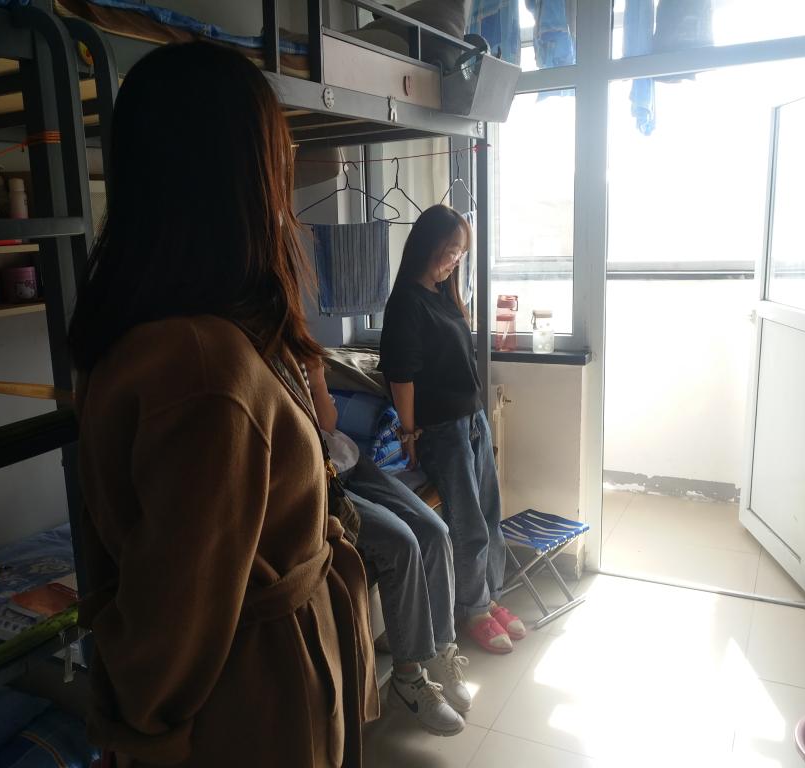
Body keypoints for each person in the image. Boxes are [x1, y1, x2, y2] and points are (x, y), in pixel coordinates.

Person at [69, 42, 378, 768]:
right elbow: (172, 618)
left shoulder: (224, 332)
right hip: (252, 710)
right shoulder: (202, 369)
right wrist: (142, 736)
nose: (285, 176)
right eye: (276, 154)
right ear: (239, 175)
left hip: (271, 681)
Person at [378, 204, 526, 655]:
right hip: (442, 430)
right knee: (468, 524)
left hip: (472, 419)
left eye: (461, 252)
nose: (455, 260)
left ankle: (490, 597)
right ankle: (474, 610)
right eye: (451, 250)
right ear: (428, 245)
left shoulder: (443, 295)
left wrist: (478, 417)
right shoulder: (406, 302)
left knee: (489, 514)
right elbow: (401, 377)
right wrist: (408, 435)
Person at [306, 360, 471, 737]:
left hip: (348, 460)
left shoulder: (296, 352)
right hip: (316, 479)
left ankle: (440, 648)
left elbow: (328, 423)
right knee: (402, 543)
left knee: (434, 530)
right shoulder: (257, 364)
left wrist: (315, 376)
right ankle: (408, 678)